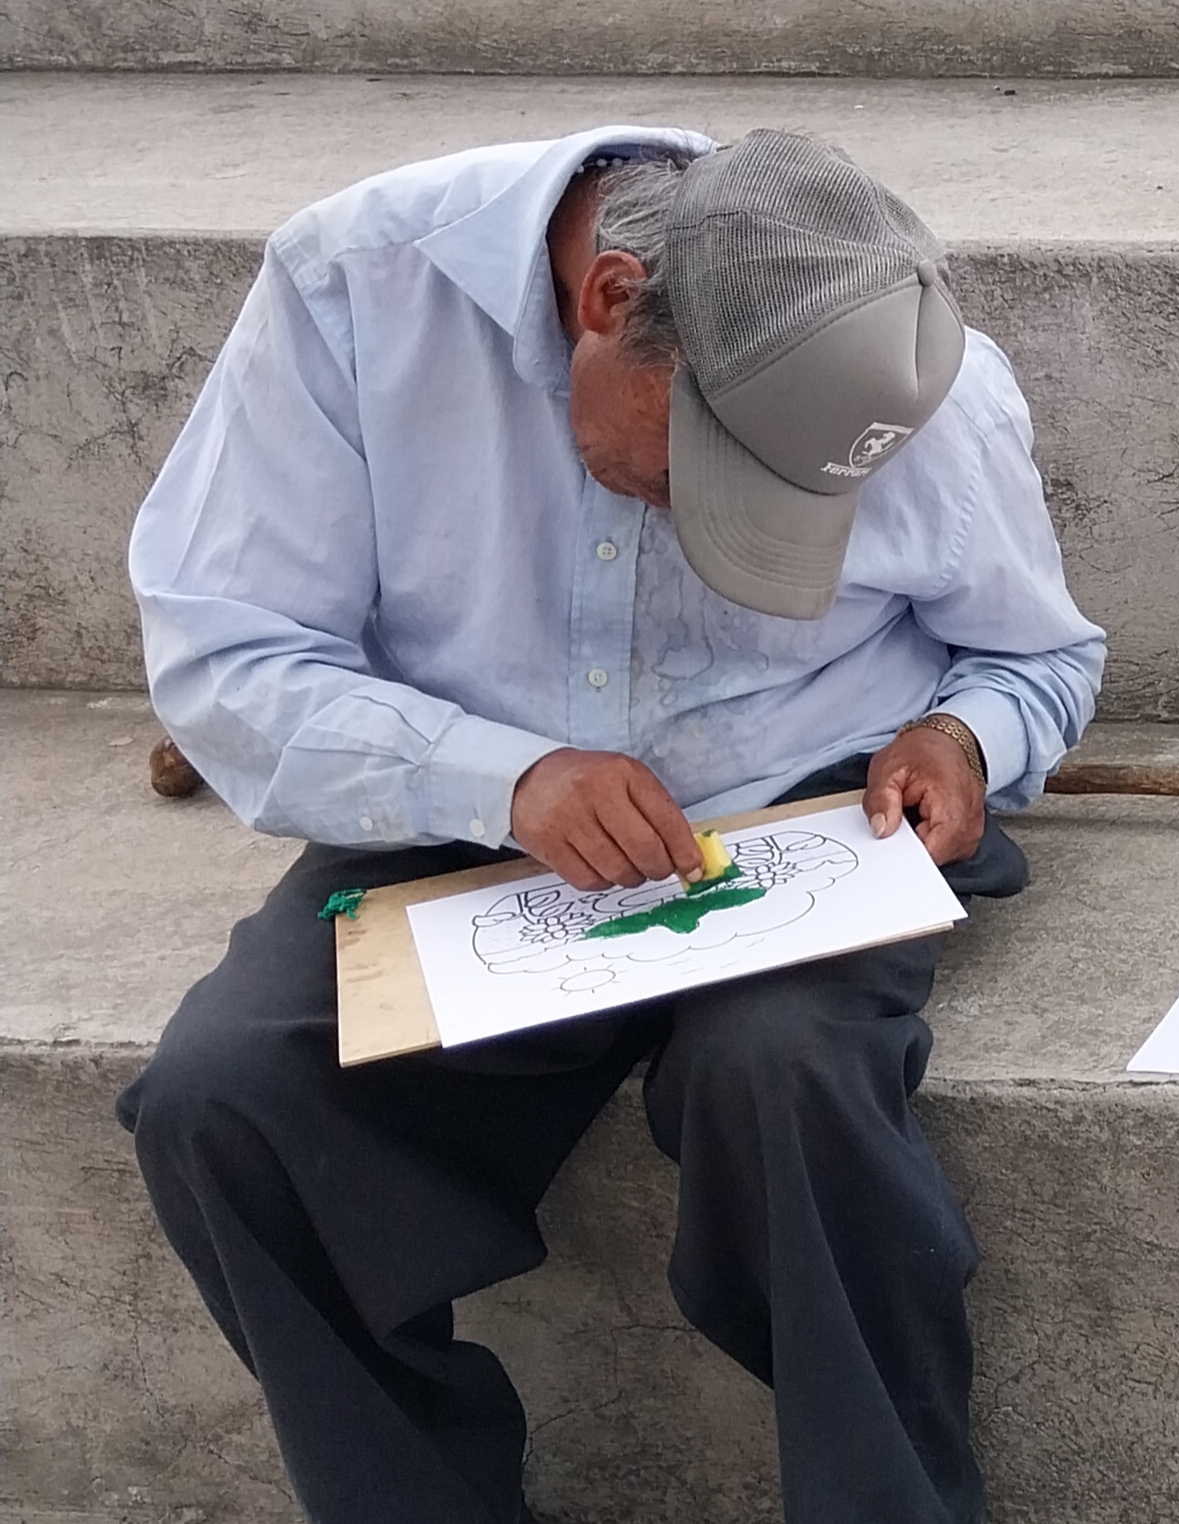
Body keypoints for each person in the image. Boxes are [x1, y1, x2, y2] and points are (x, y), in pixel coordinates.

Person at [116, 125, 1106, 1524]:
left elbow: (1036, 655)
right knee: (224, 1098)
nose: (718, 531)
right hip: (459, 806)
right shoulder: (356, 290)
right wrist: (505, 779)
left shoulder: (905, 374)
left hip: (801, 817)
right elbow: (230, 656)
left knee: (789, 1074)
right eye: (690, 473)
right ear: (608, 299)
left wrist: (962, 738)